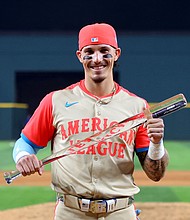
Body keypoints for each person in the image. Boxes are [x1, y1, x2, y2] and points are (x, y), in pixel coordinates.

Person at [13, 23, 169, 220]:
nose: (97, 59)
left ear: (117, 53)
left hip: (120, 212)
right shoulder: (56, 101)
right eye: (89, 52)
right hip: (70, 212)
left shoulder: (137, 107)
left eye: (105, 51)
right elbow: (25, 143)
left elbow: (156, 174)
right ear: (80, 56)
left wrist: (157, 144)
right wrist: (23, 156)